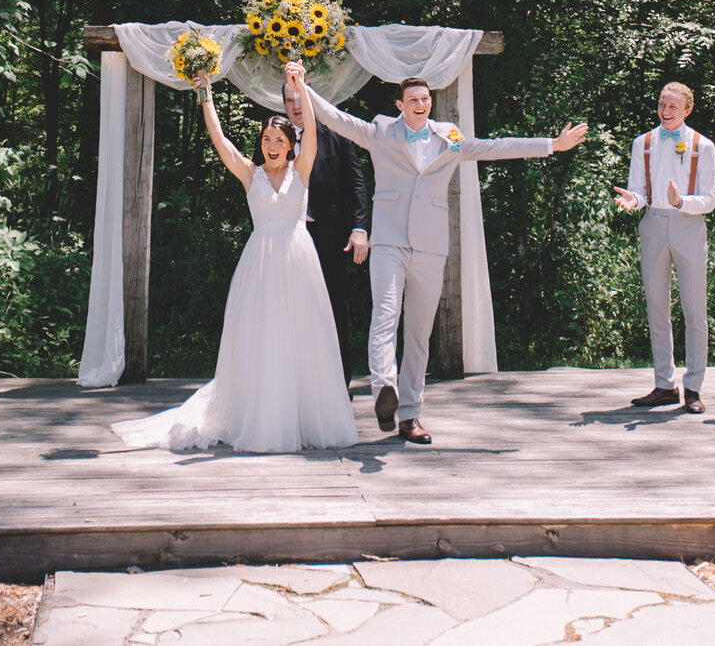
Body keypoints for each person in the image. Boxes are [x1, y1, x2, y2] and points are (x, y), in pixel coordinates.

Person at [304, 70, 587, 444]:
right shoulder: (380, 132)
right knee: (385, 316)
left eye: (425, 99)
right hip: (389, 240)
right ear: (399, 106)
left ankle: (409, 415)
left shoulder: (449, 138)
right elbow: (336, 118)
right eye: (414, 100)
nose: (421, 105)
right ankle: (384, 389)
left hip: (430, 245)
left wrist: (553, 144)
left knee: (419, 333)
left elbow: (494, 147)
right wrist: (301, 88)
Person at [112, 64, 357, 453]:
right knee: (262, 337)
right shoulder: (250, 174)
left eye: (278, 139)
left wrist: (300, 88)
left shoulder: (303, 169)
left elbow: (311, 128)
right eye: (265, 139)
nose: (271, 146)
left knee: (303, 338)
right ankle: (258, 415)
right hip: (260, 264)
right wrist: (204, 94)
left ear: (290, 144)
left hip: (299, 262)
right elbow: (219, 137)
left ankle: (304, 417)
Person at [613, 82, 715, 414]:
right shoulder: (642, 143)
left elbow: (709, 200)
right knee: (657, 307)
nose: (665, 111)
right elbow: (639, 189)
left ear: (687, 110)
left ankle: (693, 387)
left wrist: (681, 200)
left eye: (673, 106)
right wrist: (634, 200)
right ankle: (664, 384)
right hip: (654, 225)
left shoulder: (704, 146)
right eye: (661, 104)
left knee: (694, 310)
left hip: (688, 225)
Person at [280, 76, 368, 387]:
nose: (295, 105)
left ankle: (339, 388)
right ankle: (294, 388)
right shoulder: (276, 138)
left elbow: (357, 184)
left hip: (330, 237)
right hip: (286, 238)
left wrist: (359, 228)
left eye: (299, 98)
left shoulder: (337, 134)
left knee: (333, 308)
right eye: (289, 100)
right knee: (288, 311)